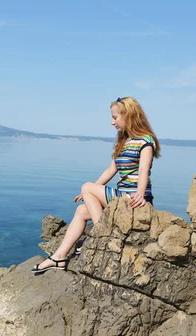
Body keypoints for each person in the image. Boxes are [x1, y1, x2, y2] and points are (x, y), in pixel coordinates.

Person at [32, 96, 160, 273]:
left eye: (115, 117)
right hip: (121, 198)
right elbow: (109, 171)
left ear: (129, 115)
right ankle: (59, 258)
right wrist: (89, 193)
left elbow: (144, 170)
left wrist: (139, 194)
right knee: (81, 211)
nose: (112, 122)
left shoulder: (146, 140)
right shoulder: (124, 142)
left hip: (135, 199)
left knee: (86, 186)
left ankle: (102, 236)